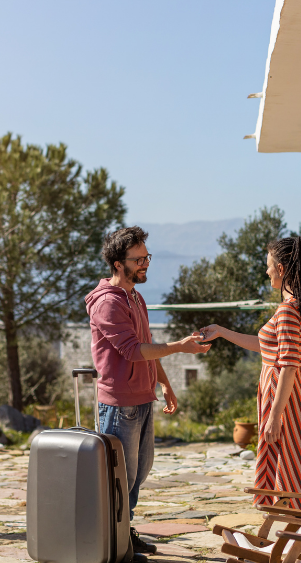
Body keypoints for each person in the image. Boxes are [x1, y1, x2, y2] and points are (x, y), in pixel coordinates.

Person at [85, 226, 211, 561]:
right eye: (137, 259)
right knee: (118, 480)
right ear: (117, 263)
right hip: (118, 405)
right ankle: (113, 543)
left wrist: (165, 384)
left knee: (138, 474)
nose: (145, 264)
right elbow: (133, 351)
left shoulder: (135, 297)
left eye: (146, 257)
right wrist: (181, 348)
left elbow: (149, 348)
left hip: (142, 399)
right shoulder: (107, 304)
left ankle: (124, 533)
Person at [198, 236, 301, 510]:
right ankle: (298, 531)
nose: (266, 271)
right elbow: (267, 347)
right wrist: (222, 331)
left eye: (269, 265)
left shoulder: (288, 312)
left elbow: (288, 367)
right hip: (295, 395)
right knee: (294, 463)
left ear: (281, 269)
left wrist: (275, 416)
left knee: (289, 467)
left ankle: (296, 531)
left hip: (287, 399)